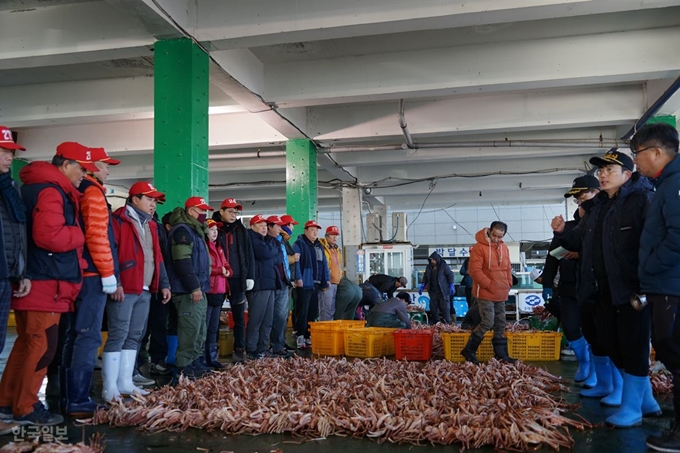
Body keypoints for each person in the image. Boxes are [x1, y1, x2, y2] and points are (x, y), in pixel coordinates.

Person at [551, 149, 660, 428]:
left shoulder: (642, 200)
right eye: (600, 170)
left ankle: (633, 407)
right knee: (612, 344)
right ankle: (645, 399)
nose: (602, 174)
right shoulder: (598, 206)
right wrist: (562, 232)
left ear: (628, 173)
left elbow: (659, 240)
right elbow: (576, 242)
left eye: (609, 170)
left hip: (632, 291)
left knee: (633, 348)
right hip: (602, 291)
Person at [0, 142, 98, 426]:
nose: (84, 175)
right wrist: (81, 234)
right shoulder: (51, 191)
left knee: (28, 344)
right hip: (45, 282)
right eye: (82, 168)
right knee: (41, 346)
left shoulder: (39, 188)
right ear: (65, 164)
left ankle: (8, 402)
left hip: (37, 279)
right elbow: (48, 236)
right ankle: (27, 406)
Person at [629, 123, 680, 451]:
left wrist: (648, 267)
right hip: (665, 284)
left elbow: (677, 237)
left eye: (637, 154)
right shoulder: (666, 184)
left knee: (676, 355)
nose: (636, 162)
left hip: (670, 286)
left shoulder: (674, 186)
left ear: (657, 152)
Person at [61, 147, 121, 416]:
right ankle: (78, 399)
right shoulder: (93, 192)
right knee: (88, 337)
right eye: (105, 166)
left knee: (71, 336)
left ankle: (64, 396)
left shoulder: (75, 190)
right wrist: (108, 273)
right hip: (93, 274)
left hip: (76, 272)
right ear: (92, 165)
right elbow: (97, 235)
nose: (108, 171)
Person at [102, 182, 170, 402]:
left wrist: (163, 283)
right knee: (118, 335)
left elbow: (157, 257)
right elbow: (110, 252)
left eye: (154, 200)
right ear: (134, 199)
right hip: (126, 287)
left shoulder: (151, 225)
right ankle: (109, 387)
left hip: (146, 288)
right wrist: (116, 282)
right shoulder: (118, 221)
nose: (153, 204)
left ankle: (125, 382)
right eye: (149, 199)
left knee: (135, 336)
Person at [544, 175, 602, 390]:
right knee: (570, 327)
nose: (580, 203)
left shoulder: (602, 223)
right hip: (569, 287)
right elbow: (553, 257)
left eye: (582, 196)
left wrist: (581, 254)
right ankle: (584, 362)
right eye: (577, 199)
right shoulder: (566, 227)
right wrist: (547, 284)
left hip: (594, 287)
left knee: (595, 331)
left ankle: (596, 371)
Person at [0, 127, 29, 434]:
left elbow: (17, 234)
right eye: (5, 151)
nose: (10, 156)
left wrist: (21, 271)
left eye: (11, 152)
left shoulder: (9, 190)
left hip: (6, 276)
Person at [166, 196, 213, 379]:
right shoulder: (183, 231)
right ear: (192, 210)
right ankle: (184, 368)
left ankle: (196, 362)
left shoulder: (195, 230)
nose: (204, 214)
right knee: (189, 330)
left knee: (199, 329)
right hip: (187, 290)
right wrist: (194, 287)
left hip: (199, 288)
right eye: (202, 211)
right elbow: (182, 261)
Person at [461, 221, 515, 364]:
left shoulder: (504, 248)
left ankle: (501, 354)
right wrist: (489, 285)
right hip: (486, 292)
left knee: (501, 323)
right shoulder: (479, 248)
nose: (496, 239)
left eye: (500, 236)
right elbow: (474, 271)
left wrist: (508, 283)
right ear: (489, 232)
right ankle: (469, 350)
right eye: (494, 235)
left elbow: (508, 268)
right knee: (487, 321)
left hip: (501, 292)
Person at [213, 198, 254, 364]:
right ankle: (212, 350)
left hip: (237, 279)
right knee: (214, 317)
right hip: (218, 279)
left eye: (235, 212)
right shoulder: (213, 227)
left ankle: (239, 350)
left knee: (238, 317)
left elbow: (248, 252)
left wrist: (250, 275)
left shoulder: (240, 230)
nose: (233, 215)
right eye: (230, 211)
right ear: (221, 211)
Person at [246, 215, 282, 359]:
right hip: (259, 285)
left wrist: (271, 254)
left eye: (265, 226)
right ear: (253, 226)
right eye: (260, 225)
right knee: (256, 319)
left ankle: (262, 348)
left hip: (270, 284)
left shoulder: (267, 241)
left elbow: (279, 258)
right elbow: (265, 253)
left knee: (268, 320)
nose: (264, 228)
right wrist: (271, 253)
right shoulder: (252, 239)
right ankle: (251, 350)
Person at [293, 220, 329, 349]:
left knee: (313, 311)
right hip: (304, 283)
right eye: (312, 230)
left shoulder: (319, 246)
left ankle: (308, 335)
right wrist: (298, 277)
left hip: (316, 283)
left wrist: (327, 279)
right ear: (306, 231)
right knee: (302, 310)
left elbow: (324, 264)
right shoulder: (299, 244)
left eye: (317, 230)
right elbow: (296, 263)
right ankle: (300, 335)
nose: (315, 232)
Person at [205, 219, 231, 369]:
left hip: (219, 292)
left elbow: (226, 265)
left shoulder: (219, 248)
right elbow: (205, 268)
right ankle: (203, 359)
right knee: (205, 327)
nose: (215, 232)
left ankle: (212, 358)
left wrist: (228, 271)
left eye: (216, 230)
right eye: (211, 229)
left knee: (213, 328)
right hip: (209, 292)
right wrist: (219, 270)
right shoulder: (204, 248)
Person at [267, 215, 294, 357]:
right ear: (269, 227)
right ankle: (270, 346)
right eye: (277, 226)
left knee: (282, 316)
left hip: (284, 282)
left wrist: (289, 279)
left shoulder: (281, 242)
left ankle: (278, 345)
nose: (280, 228)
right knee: (271, 316)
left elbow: (284, 263)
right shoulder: (268, 242)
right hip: (272, 284)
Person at [419, 252, 455, 324]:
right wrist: (423, 285)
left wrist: (451, 285)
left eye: (433, 260)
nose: (432, 261)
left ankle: (447, 323)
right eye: (431, 260)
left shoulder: (444, 266)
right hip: (433, 291)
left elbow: (450, 275)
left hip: (443, 291)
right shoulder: (428, 267)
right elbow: (426, 276)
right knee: (433, 307)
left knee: (445, 308)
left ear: (437, 260)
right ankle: (436, 323)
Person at [318, 225, 342, 321]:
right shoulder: (322, 248)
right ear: (326, 236)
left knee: (331, 310)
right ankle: (324, 333)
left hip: (335, 283)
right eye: (332, 235)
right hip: (327, 283)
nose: (335, 237)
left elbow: (338, 265)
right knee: (325, 310)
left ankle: (330, 332)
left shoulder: (336, 250)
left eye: (336, 235)